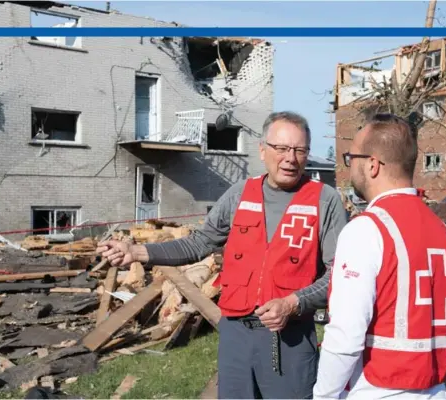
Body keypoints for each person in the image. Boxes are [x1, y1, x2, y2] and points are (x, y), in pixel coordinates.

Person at [97, 111, 347, 399]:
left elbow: (339, 275)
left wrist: (293, 304)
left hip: (289, 338)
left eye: (299, 150)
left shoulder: (324, 200)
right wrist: (137, 251)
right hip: (236, 336)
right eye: (281, 148)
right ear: (263, 150)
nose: (290, 158)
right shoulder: (241, 193)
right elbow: (199, 243)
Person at [313, 114, 446, 399]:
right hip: (434, 389)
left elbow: (345, 337)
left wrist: (323, 395)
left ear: (372, 165)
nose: (349, 167)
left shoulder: (366, 230)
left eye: (351, 158)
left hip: (375, 389)